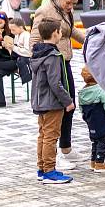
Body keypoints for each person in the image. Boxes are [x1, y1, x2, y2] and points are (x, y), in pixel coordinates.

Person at [30, 0, 85, 171]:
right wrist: (40, 65)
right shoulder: (45, 11)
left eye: (73, 4)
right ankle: (55, 155)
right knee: (57, 109)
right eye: (68, 3)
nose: (71, 7)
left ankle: (66, 147)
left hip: (64, 61)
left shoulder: (65, 11)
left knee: (69, 104)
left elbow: (70, 31)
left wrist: (88, 40)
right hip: (52, 63)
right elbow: (34, 40)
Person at [31, 18, 75, 184]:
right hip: (52, 103)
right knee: (51, 136)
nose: (62, 33)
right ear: (55, 33)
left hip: (40, 101)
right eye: (60, 31)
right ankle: (50, 171)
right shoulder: (53, 56)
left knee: (43, 136)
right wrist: (68, 101)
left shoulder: (38, 53)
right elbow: (55, 83)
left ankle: (42, 169)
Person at [78, 66, 105, 172]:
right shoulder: (101, 91)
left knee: (95, 141)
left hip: (91, 122)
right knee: (103, 141)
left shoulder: (82, 92)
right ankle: (100, 163)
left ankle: (93, 161)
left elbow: (81, 109)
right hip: (102, 121)